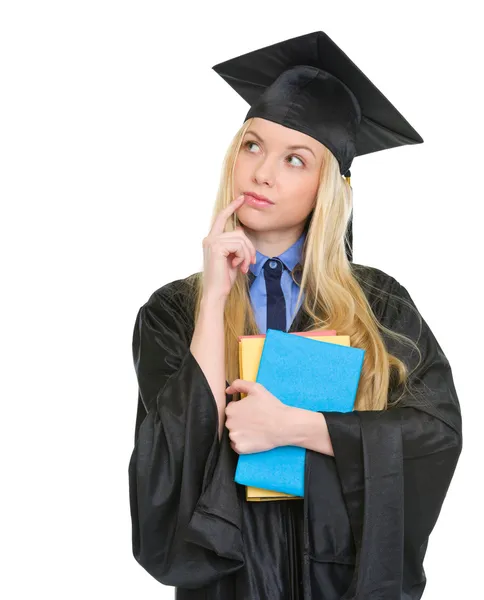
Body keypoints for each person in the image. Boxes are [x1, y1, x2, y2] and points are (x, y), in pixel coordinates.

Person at [128, 32, 462, 600]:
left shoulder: (380, 305)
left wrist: (298, 428)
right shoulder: (173, 311)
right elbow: (168, 467)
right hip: (228, 582)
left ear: (327, 186)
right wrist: (213, 301)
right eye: (252, 146)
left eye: (294, 159)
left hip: (338, 578)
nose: (262, 174)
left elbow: (434, 437)